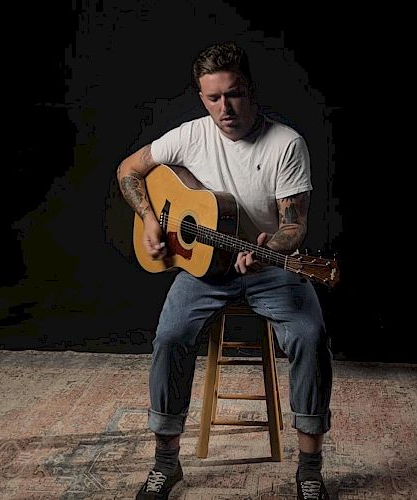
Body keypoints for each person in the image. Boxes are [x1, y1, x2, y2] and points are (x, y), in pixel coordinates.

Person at [117, 41, 332, 500]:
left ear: (249, 89)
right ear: (201, 97)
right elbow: (128, 172)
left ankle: (309, 468)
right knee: (170, 337)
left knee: (310, 337)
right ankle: (165, 464)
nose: (224, 107)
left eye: (232, 94)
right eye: (213, 98)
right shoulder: (190, 135)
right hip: (203, 270)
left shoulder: (286, 144)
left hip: (271, 268)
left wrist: (269, 245)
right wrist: (150, 218)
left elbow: (295, 224)